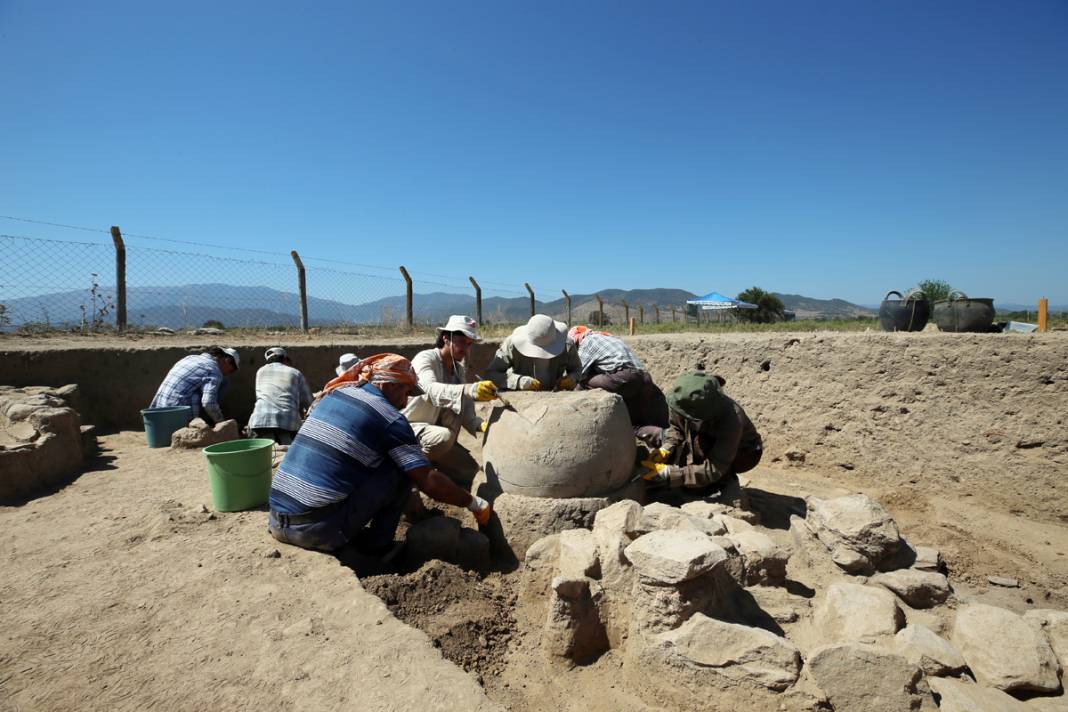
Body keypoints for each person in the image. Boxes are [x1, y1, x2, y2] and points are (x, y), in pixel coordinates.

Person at [267, 353, 492, 556]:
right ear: (386, 383)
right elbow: (428, 481)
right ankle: (378, 550)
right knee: (403, 470)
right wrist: (472, 502)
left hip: (277, 519)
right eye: (405, 391)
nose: (406, 401)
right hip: (316, 530)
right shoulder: (389, 419)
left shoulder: (336, 394)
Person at [639, 370, 762, 506]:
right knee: (679, 443)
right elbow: (676, 428)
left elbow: (716, 466)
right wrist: (666, 449)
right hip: (708, 440)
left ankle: (726, 481)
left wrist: (670, 473)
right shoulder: (681, 399)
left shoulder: (731, 418)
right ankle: (695, 478)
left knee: (700, 447)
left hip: (745, 452)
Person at [401, 316, 497, 479]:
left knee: (469, 471)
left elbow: (465, 407)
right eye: (461, 341)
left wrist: (479, 425)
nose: (465, 348)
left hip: (435, 433)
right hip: (409, 429)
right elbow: (428, 390)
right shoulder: (425, 358)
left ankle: (430, 464)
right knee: (443, 438)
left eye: (469, 344)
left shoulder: (458, 371)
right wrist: (469, 389)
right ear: (446, 338)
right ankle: (409, 469)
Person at [568, 325, 668, 439]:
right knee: (634, 423)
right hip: (645, 379)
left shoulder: (587, 342)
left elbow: (579, 372)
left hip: (625, 379)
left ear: (576, 339)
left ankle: (579, 420)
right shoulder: (609, 337)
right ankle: (661, 437)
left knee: (582, 381)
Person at [485, 314, 581, 392]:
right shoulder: (511, 345)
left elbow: (577, 369)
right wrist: (518, 381)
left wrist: (572, 378)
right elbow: (492, 374)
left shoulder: (567, 344)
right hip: (523, 399)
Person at [149, 346, 239, 426]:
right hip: (175, 417)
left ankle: (206, 419)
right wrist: (221, 423)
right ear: (228, 361)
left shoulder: (191, 358)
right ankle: (196, 423)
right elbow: (208, 402)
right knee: (223, 383)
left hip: (157, 413)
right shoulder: (214, 370)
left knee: (222, 382)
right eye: (231, 371)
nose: (228, 374)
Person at [247, 347, 313, 445]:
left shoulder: (260, 371)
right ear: (285, 359)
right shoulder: (295, 372)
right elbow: (310, 403)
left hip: (258, 422)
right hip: (287, 424)